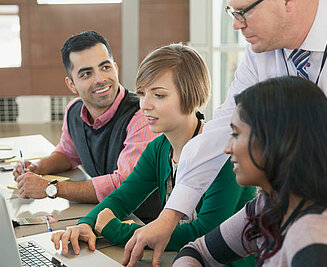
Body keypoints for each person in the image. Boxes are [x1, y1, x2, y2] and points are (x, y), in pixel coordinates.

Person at [124, 0, 327, 265]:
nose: (235, 25)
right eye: (232, 11)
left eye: (244, 12)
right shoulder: (262, 50)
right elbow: (222, 129)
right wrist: (170, 216)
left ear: (287, 1)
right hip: (304, 192)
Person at [50, 43, 256, 267]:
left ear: (191, 95)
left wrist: (117, 230)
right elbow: (122, 197)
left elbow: (206, 232)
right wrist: (86, 224)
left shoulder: (224, 154)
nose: (144, 105)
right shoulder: (159, 147)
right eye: (141, 94)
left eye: (158, 95)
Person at [173, 76, 327, 266]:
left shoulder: (313, 235)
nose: (227, 147)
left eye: (236, 134)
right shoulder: (271, 205)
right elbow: (197, 251)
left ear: (276, 140)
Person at [12, 31, 160, 222]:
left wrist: (50, 188)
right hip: (103, 218)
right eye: (87, 73)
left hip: (143, 224)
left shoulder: (141, 115)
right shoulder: (74, 111)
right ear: (72, 85)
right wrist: (37, 167)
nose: (100, 79)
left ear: (115, 68)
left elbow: (124, 184)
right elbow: (68, 154)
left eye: (105, 67)